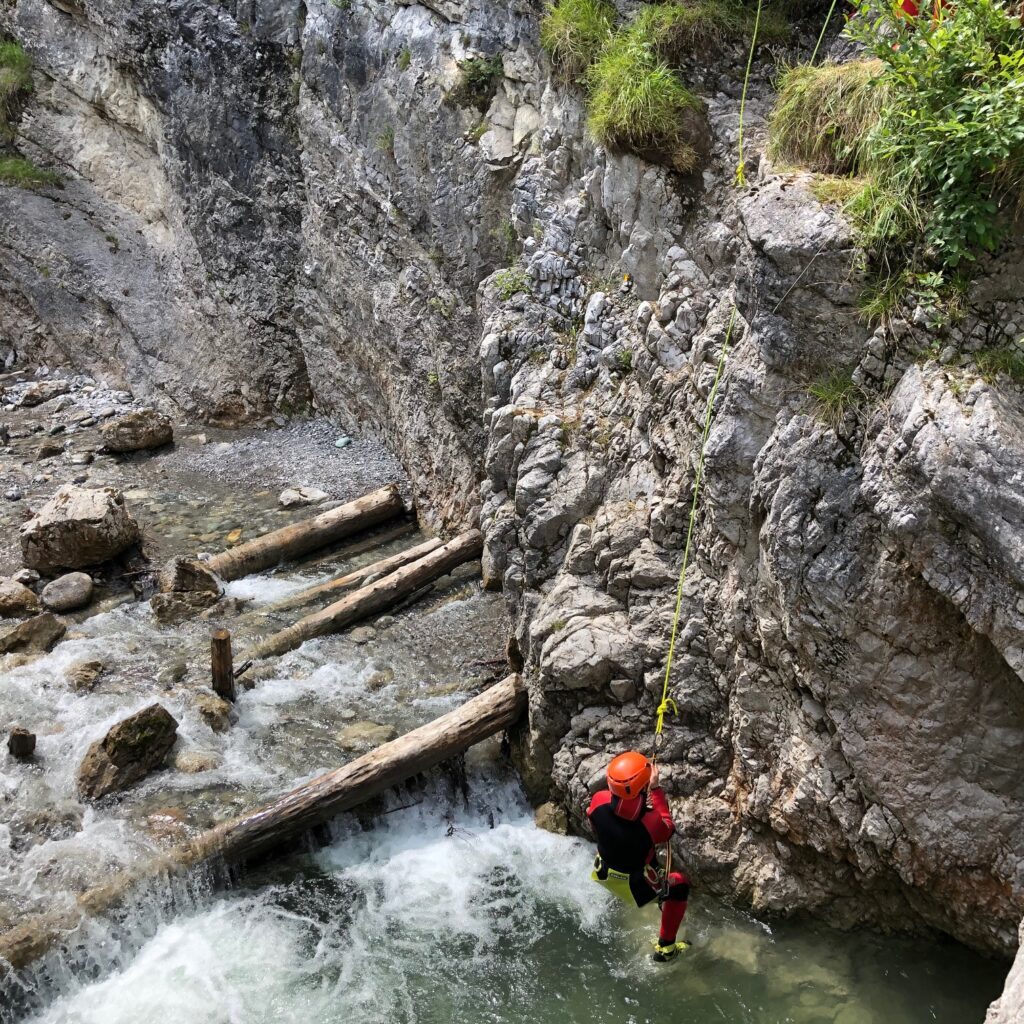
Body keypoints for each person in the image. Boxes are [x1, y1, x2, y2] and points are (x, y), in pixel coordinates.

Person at [587, 750, 691, 962]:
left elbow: (594, 821)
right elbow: (667, 829)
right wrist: (656, 789)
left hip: (603, 870)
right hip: (634, 886)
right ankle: (666, 949)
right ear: (642, 788)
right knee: (680, 884)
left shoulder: (599, 801)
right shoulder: (650, 822)